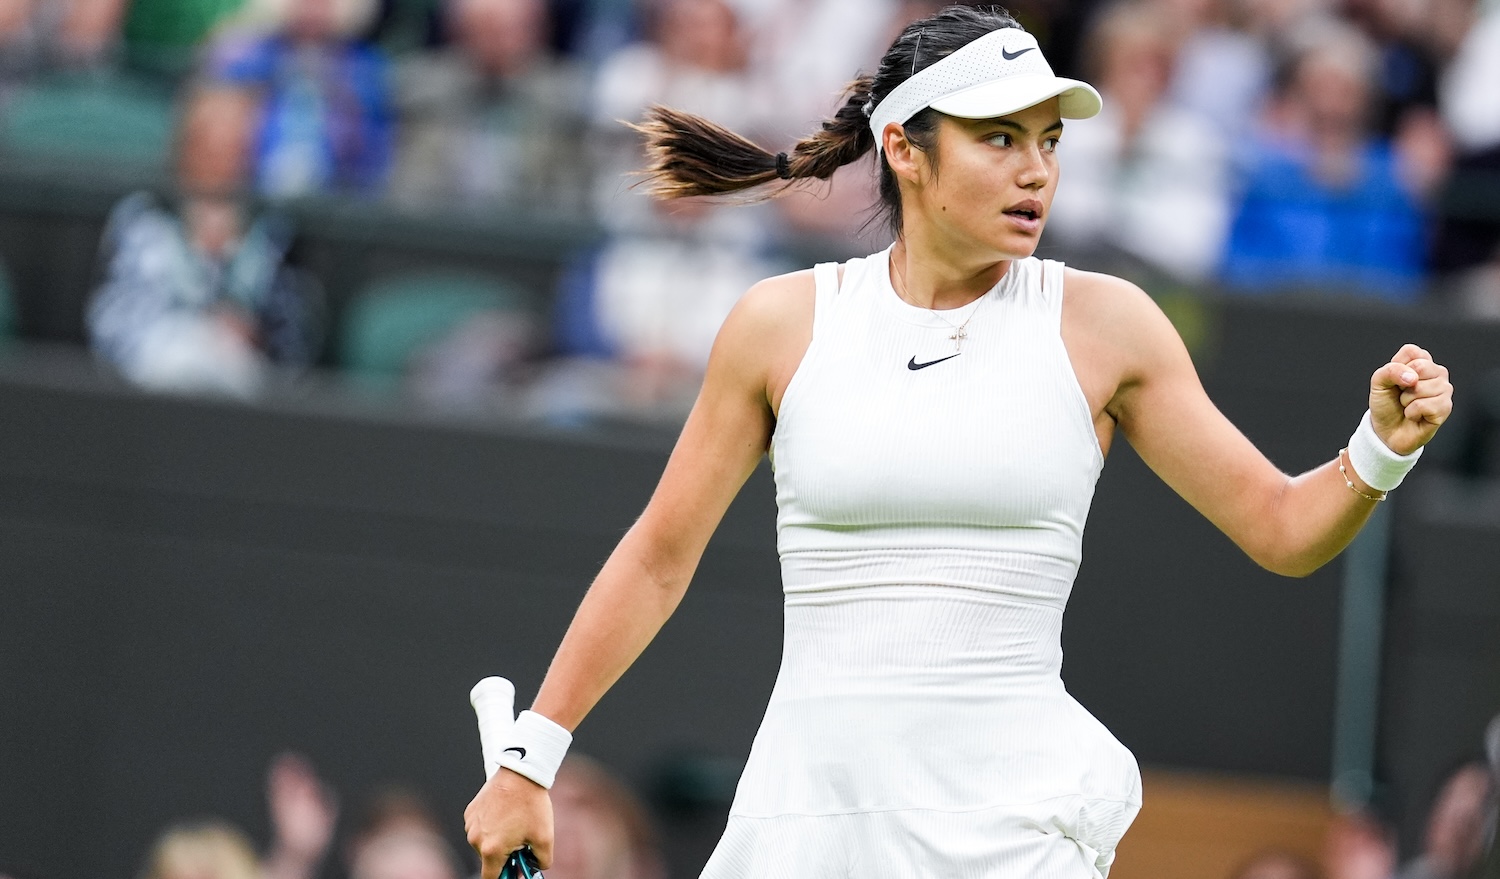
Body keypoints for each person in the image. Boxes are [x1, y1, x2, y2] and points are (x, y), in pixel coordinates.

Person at [464, 5, 1454, 877]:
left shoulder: (1108, 325)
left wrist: (1379, 449)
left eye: (1050, 142)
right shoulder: (780, 324)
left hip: (1012, 831)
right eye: (1000, 139)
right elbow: (657, 558)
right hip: (809, 821)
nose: (1036, 171)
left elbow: (1283, 529)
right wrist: (530, 759)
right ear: (904, 148)